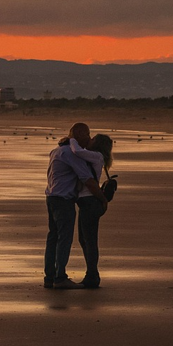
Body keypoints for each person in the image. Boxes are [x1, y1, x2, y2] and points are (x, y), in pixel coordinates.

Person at [44, 123, 107, 289]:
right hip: (64, 200)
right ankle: (60, 278)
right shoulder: (70, 154)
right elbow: (87, 179)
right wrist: (103, 198)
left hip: (51, 197)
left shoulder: (56, 151)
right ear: (79, 134)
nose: (89, 138)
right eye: (87, 134)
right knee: (64, 238)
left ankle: (49, 277)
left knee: (53, 238)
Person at [66, 134, 114, 289]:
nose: (89, 140)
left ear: (97, 144)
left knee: (89, 240)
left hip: (90, 202)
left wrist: (72, 138)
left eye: (92, 139)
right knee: (84, 239)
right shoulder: (96, 156)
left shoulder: (96, 156)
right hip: (88, 203)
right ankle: (92, 274)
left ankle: (92, 275)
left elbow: (77, 151)